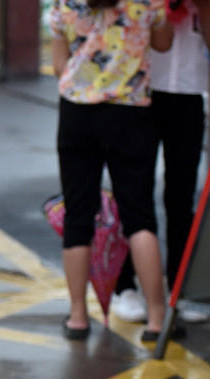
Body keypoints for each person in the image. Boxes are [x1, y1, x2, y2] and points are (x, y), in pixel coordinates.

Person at [51, 0, 174, 341]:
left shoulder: (65, 3)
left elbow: (59, 65)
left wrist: (88, 79)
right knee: (139, 217)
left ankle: (78, 316)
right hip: (130, 113)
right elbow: (163, 44)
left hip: (77, 114)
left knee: (78, 215)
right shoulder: (148, 2)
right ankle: (156, 318)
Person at [111, 0, 210, 325]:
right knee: (134, 190)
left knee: (181, 194)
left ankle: (178, 285)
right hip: (140, 91)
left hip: (189, 91)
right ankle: (124, 285)